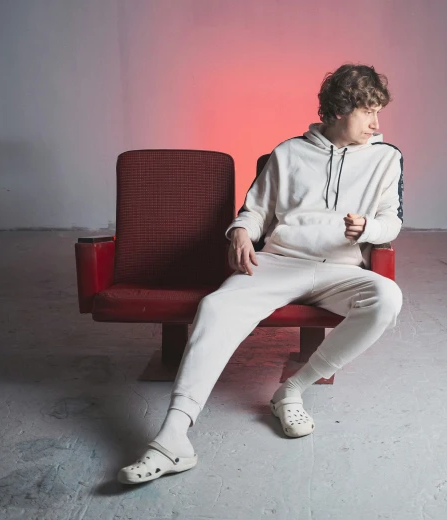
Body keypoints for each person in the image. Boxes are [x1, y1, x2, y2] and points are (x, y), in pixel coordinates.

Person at [118, 63, 404, 484]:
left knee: (388, 298)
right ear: (341, 109)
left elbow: (392, 220)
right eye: (368, 111)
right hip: (277, 263)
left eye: (379, 112)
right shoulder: (287, 153)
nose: (377, 123)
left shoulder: (386, 157)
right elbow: (254, 211)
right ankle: (173, 437)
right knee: (215, 307)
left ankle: (292, 389)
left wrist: (370, 229)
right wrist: (239, 233)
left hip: (340, 269)